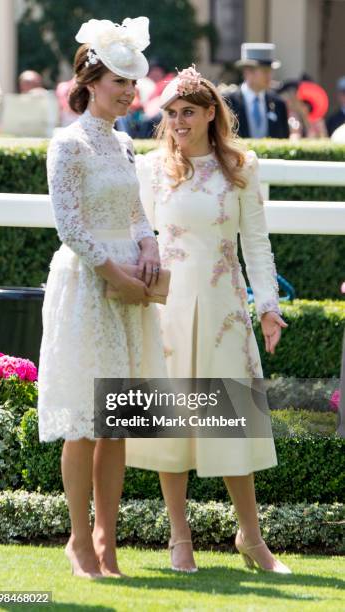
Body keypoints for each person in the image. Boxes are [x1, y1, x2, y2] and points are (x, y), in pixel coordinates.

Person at [126, 65, 291, 574]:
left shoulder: (242, 165)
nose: (177, 121)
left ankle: (252, 537)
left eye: (188, 112)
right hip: (168, 309)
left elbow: (256, 244)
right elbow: (139, 236)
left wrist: (267, 306)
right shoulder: (152, 167)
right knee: (168, 425)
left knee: (230, 425)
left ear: (210, 114)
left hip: (222, 308)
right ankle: (180, 538)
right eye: (171, 113)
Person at [38, 16, 166, 579]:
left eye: (134, 84)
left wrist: (149, 250)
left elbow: (137, 212)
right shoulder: (67, 144)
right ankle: (78, 540)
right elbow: (69, 224)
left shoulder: (124, 142)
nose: (130, 93)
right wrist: (113, 271)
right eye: (121, 81)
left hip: (129, 287)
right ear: (92, 81)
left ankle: (107, 541)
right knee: (85, 423)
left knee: (117, 421)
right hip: (88, 287)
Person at [224, 43, 289, 139]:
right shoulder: (228, 102)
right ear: (248, 72)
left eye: (270, 71)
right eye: (265, 71)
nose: (270, 76)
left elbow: (284, 140)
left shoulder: (279, 104)